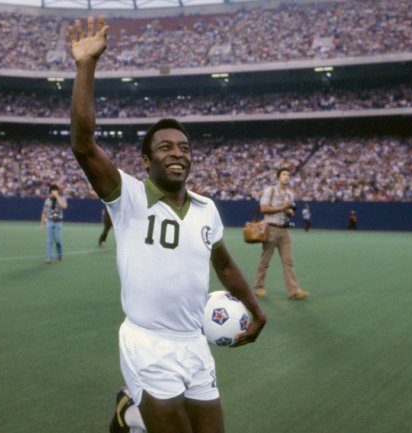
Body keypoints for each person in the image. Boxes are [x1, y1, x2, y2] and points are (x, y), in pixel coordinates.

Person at [69, 16, 266, 433]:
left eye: (184, 147)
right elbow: (83, 146)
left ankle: (131, 413)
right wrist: (86, 65)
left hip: (194, 342)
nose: (177, 153)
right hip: (147, 343)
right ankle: (136, 410)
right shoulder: (128, 196)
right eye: (165, 147)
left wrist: (255, 308)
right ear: (146, 160)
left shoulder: (206, 209)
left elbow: (224, 264)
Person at [253, 167, 310, 301]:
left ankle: (294, 291)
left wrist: (289, 212)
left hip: (285, 230)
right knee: (265, 260)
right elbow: (263, 208)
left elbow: (290, 210)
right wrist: (282, 207)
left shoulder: (290, 194)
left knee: (288, 262)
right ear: (278, 177)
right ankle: (258, 287)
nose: (286, 177)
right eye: (284, 174)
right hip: (271, 228)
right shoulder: (270, 190)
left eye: (288, 175)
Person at [40, 184, 67, 264]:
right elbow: (44, 212)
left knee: (58, 240)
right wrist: (42, 223)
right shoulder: (47, 200)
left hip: (58, 222)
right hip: (50, 221)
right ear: (50, 192)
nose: (54, 192)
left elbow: (63, 206)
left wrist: (57, 196)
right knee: (49, 240)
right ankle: (49, 257)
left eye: (55, 190)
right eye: (53, 190)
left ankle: (59, 255)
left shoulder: (61, 198)